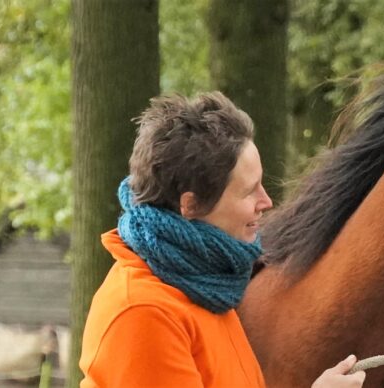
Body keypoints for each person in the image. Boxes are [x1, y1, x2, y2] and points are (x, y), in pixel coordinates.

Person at [78, 92, 365, 388]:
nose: (266, 201)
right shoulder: (144, 314)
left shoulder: (205, 280)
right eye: (248, 191)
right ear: (189, 205)